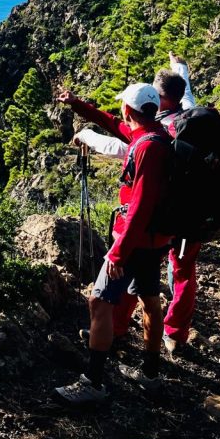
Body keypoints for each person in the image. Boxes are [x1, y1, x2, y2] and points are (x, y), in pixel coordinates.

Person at [54, 83, 174, 404]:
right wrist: (77, 104)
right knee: (149, 299)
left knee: (100, 301)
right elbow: (109, 122)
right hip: (155, 239)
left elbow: (140, 207)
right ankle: (149, 375)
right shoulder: (154, 135)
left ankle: (93, 382)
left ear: (129, 109)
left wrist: (118, 254)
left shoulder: (147, 148)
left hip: (134, 241)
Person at [71, 53, 197, 353]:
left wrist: (86, 135)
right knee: (180, 276)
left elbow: (116, 146)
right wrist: (180, 67)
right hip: (187, 213)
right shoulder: (188, 117)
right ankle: (175, 335)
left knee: (125, 290)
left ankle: (113, 334)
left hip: (147, 229)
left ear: (159, 100)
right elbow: (187, 90)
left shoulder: (152, 138)